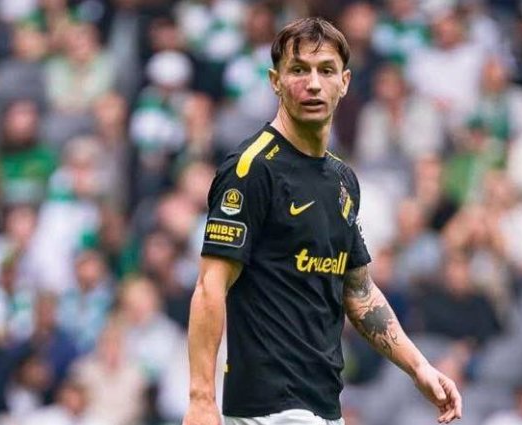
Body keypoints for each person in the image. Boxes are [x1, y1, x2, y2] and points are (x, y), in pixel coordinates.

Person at [183, 17, 462, 425]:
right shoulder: (251, 169)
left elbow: (359, 291)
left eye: (326, 70)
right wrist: (201, 399)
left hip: (325, 408)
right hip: (268, 411)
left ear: (344, 82)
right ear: (275, 81)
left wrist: (420, 367)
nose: (313, 84)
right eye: (299, 70)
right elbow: (210, 286)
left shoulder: (342, 180)